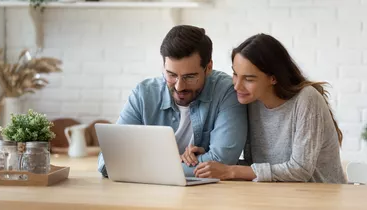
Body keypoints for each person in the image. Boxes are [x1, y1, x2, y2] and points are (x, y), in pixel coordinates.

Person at [193, 33, 346, 184]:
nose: (237, 86)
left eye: (249, 78)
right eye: (235, 74)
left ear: (273, 78)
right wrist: (211, 162)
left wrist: (230, 171)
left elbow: (300, 170)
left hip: (321, 198)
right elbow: (258, 169)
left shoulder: (307, 99)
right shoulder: (252, 102)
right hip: (277, 196)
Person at [98, 25, 248, 177]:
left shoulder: (226, 92)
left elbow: (222, 161)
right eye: (171, 75)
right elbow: (109, 161)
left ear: (208, 67)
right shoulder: (144, 94)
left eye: (189, 77)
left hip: (207, 195)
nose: (179, 86)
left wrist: (145, 166)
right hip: (149, 193)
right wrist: (179, 163)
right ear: (163, 66)